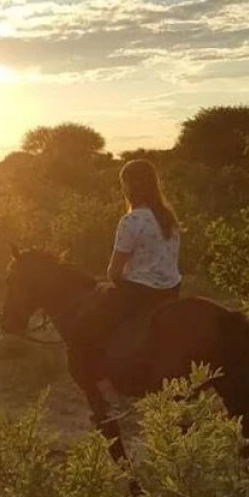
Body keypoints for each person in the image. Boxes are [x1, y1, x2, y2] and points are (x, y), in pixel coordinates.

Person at [77, 159, 182, 415]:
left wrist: (116, 282)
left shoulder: (131, 221)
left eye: (124, 183)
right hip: (171, 291)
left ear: (129, 186)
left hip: (139, 294)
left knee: (83, 332)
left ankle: (112, 399)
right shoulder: (169, 219)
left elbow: (114, 272)